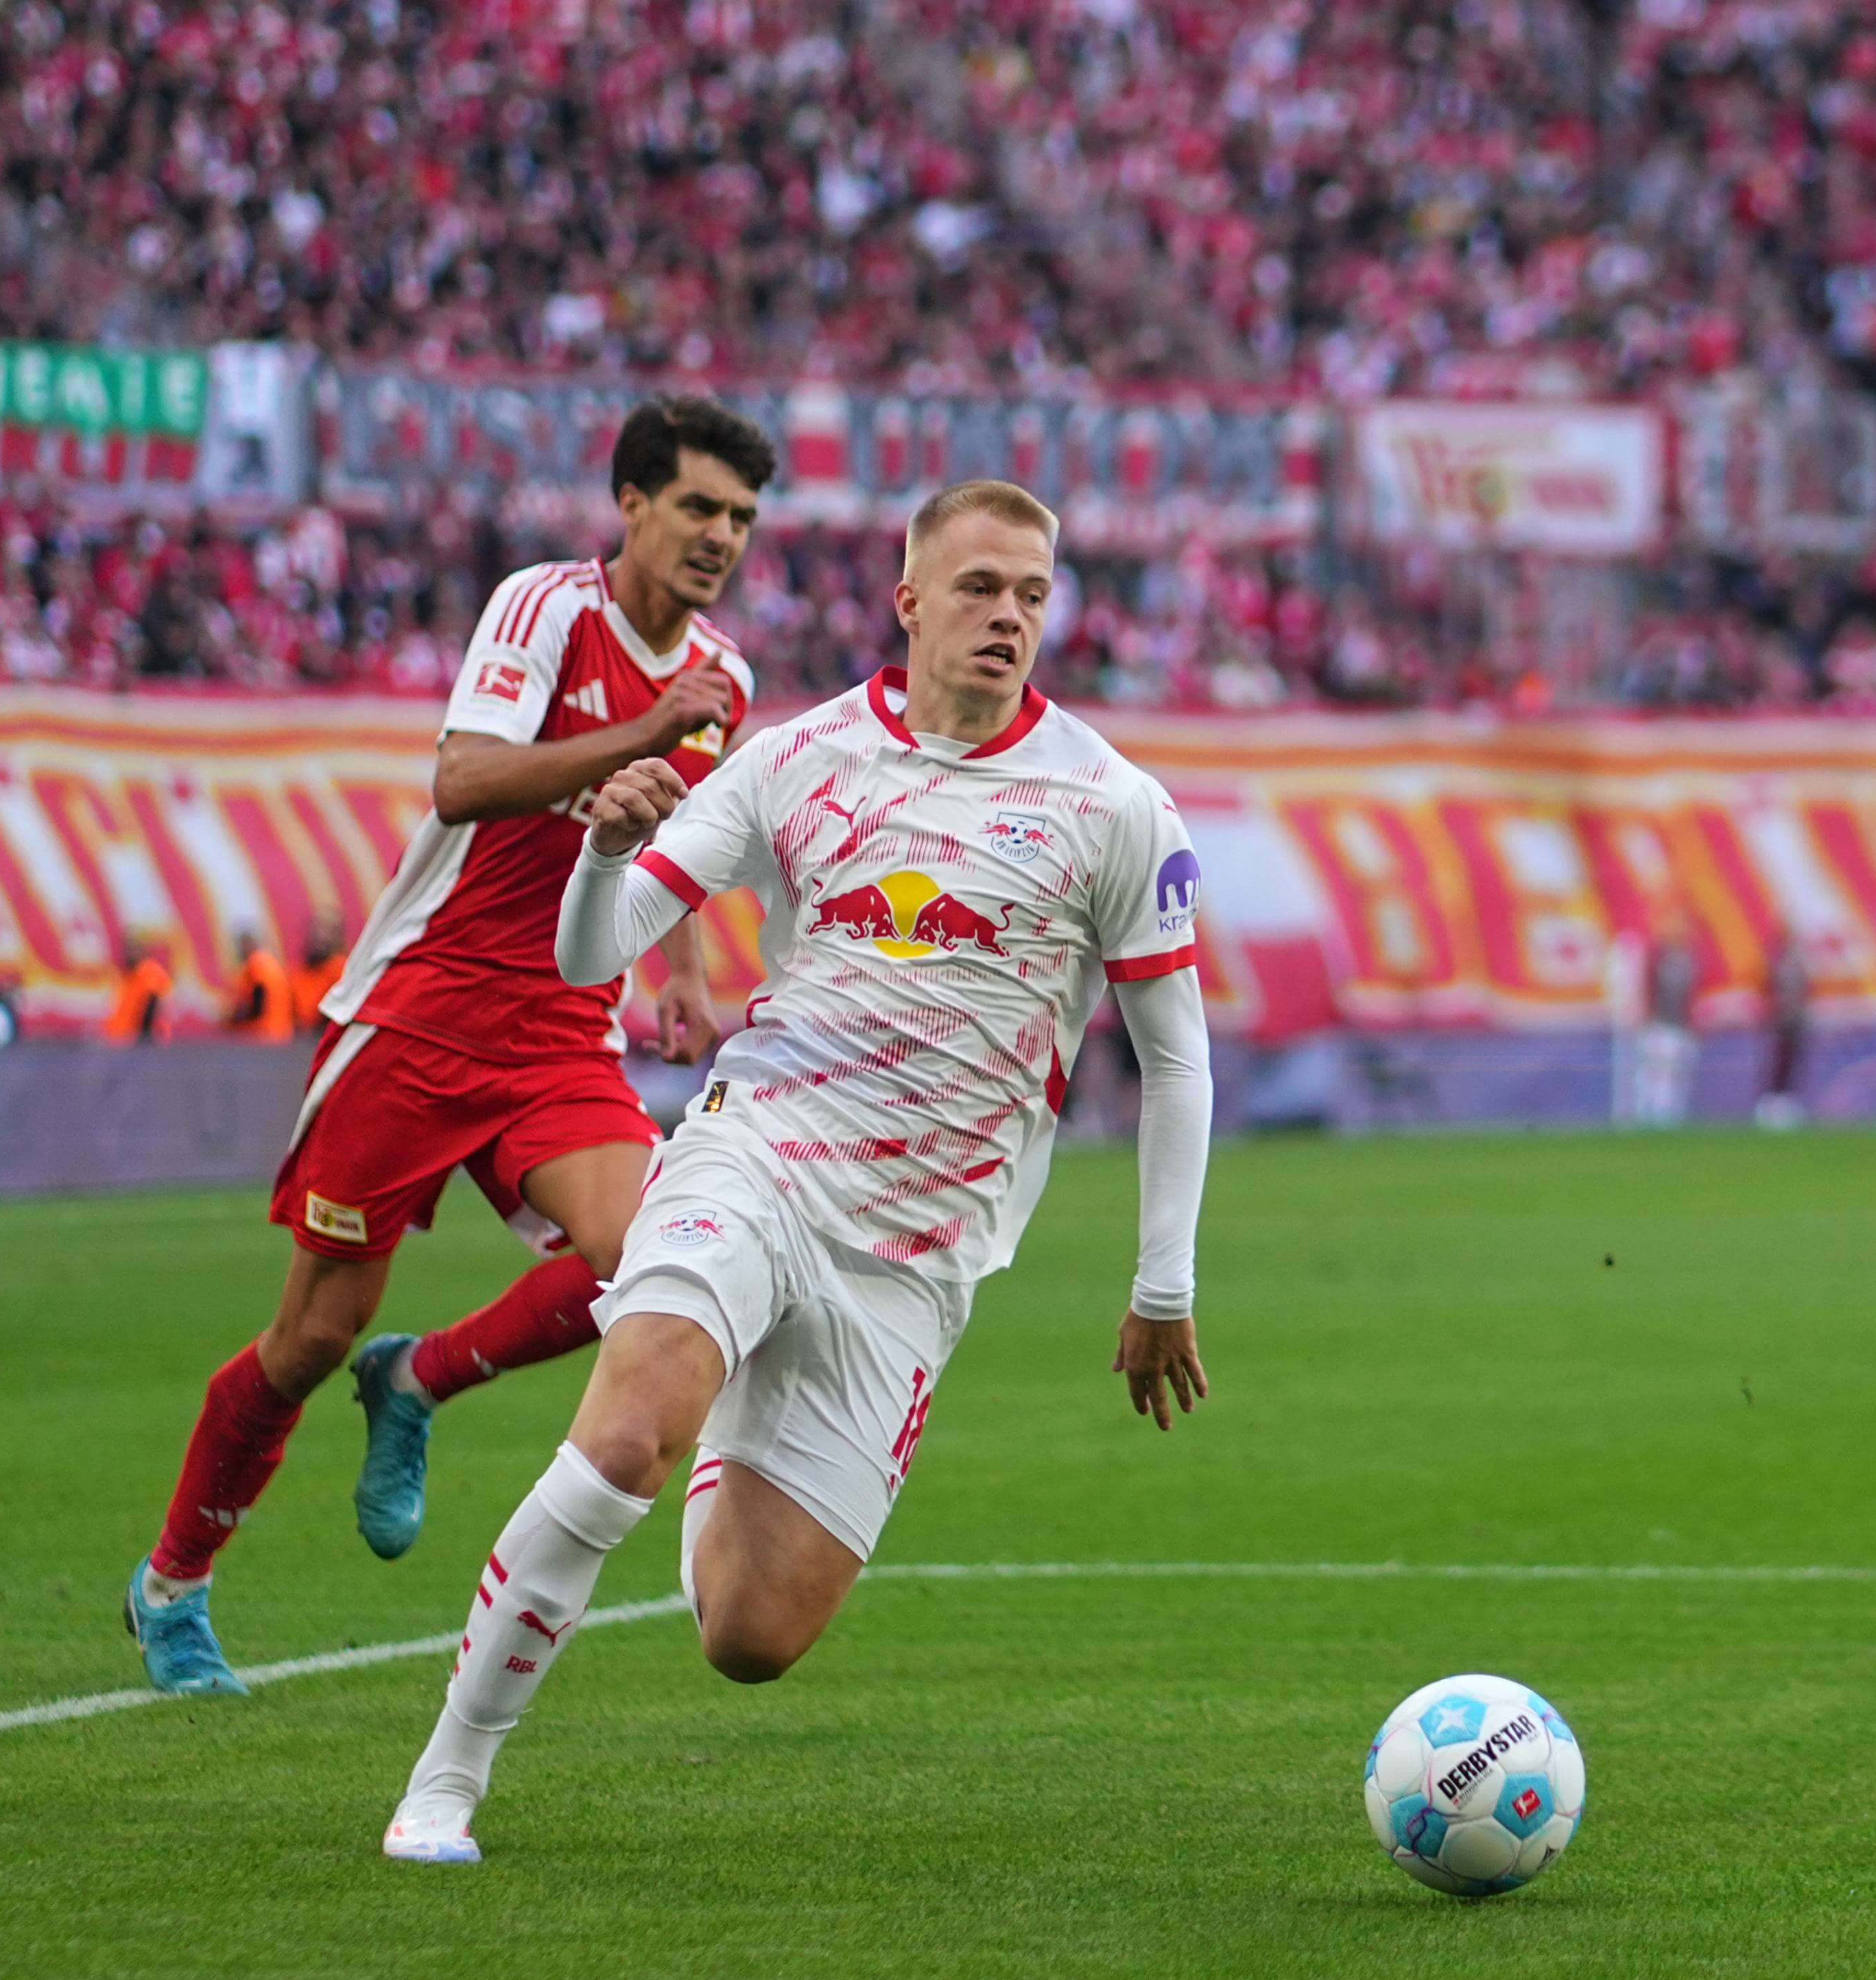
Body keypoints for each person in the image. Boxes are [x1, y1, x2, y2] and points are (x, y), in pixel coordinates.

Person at [378, 478, 1213, 1865]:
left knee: (749, 1639)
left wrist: (1162, 1285)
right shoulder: (796, 758)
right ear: (908, 601)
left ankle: (732, 1403)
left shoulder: (1110, 806)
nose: (1006, 617)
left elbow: (1173, 1062)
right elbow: (592, 955)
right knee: (627, 1426)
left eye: (1029, 594)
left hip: (914, 1253)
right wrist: (601, 847)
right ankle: (444, 1782)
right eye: (978, 588)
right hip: (756, 1152)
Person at [126, 396, 777, 1695]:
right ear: (633, 502)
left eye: (743, 519)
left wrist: (685, 978)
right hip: (420, 1014)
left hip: (556, 1025)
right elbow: (464, 779)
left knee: (648, 1260)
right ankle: (173, 1585)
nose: (721, 537)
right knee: (307, 1336)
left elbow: (685, 837)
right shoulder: (546, 610)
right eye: (699, 507)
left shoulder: (727, 680)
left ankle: (418, 1378)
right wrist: (643, 734)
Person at [1628, 910, 1701, 1128]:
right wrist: (1644, 1019)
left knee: (1678, 1074)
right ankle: (1649, 1117)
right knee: (1655, 1075)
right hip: (1659, 1025)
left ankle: (1670, 1118)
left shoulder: (1689, 960)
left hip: (1681, 1026)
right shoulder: (1657, 959)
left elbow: (1690, 996)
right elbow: (1646, 990)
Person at [1756, 927, 1813, 1129]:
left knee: (1792, 1064)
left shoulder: (1798, 966)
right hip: (1781, 1021)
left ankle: (1785, 1102)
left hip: (1796, 1020)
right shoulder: (1778, 966)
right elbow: (1769, 992)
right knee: (1779, 1063)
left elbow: (1805, 993)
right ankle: (1771, 1104)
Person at [225, 927, 294, 1042]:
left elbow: (259, 996)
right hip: (281, 1031)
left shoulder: (256, 962)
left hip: (265, 1031)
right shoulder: (269, 961)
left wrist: (236, 1020)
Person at [104, 936, 174, 1043]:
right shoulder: (128, 974)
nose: (130, 954)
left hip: (140, 1039)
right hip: (123, 1038)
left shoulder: (150, 971)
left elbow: (152, 1005)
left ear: (143, 951)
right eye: (129, 949)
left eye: (134, 949)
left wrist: (144, 1036)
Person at [289, 910, 347, 1030]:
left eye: (327, 931)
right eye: (316, 931)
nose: (319, 937)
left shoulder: (341, 969)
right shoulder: (298, 972)